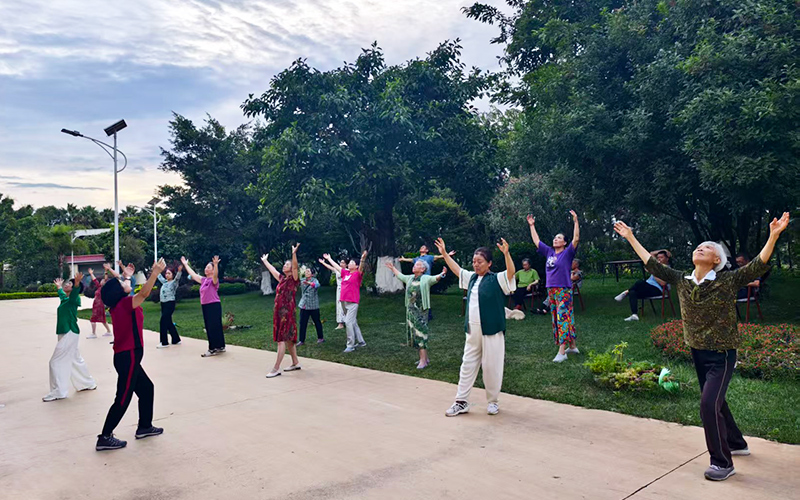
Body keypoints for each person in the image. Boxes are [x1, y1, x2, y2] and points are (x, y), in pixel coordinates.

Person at [613, 212, 790, 481]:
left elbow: (756, 266)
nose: (700, 248)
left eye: (707, 248)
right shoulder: (681, 280)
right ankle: (737, 443)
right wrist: (630, 237)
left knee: (708, 404)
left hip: (722, 354)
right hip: (697, 351)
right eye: (699, 246)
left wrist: (774, 235)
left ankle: (722, 462)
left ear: (716, 260)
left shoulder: (726, 281)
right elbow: (652, 264)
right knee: (715, 400)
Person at [436, 237, 516, 417]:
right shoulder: (471, 278)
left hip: (492, 330)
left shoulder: (497, 279)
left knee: (491, 366)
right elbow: (457, 270)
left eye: (479, 262)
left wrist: (506, 254)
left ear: (489, 263)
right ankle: (461, 401)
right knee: (467, 364)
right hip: (472, 330)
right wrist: (444, 255)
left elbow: (511, 272)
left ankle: (493, 402)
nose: (476, 264)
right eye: (473, 262)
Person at [96, 258, 167, 451]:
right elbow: (144, 292)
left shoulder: (120, 304)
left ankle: (144, 426)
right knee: (123, 397)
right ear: (118, 292)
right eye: (122, 283)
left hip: (128, 357)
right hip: (128, 357)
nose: (125, 282)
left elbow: (131, 287)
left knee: (146, 389)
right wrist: (155, 273)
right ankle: (104, 436)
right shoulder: (126, 304)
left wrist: (125, 275)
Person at [528, 211, 581, 363]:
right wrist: (532, 226)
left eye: (559, 238)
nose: (556, 239)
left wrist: (576, 221)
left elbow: (576, 238)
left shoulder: (568, 253)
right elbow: (536, 241)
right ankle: (572, 345)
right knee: (561, 318)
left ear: (564, 242)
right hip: (551, 289)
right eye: (555, 237)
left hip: (563, 289)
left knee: (562, 317)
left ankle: (562, 351)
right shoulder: (549, 252)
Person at [42, 272, 97, 402]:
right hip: (65, 333)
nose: (68, 284)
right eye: (68, 283)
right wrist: (59, 287)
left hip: (69, 332)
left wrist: (77, 284)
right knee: (75, 360)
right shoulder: (65, 299)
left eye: (70, 284)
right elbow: (63, 295)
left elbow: (74, 294)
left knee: (55, 362)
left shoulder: (74, 299)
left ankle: (58, 392)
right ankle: (87, 383)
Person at [385, 259, 447, 369]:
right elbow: (400, 275)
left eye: (418, 265)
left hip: (421, 311)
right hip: (411, 311)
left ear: (423, 269)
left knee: (421, 334)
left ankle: (423, 361)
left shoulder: (425, 278)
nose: (414, 266)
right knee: (415, 335)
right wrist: (392, 268)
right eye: (415, 264)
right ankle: (424, 358)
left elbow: (435, 278)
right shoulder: (409, 278)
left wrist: (442, 274)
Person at [261, 244, 302, 378]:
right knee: (288, 339)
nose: (284, 266)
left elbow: (295, 267)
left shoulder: (294, 280)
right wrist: (265, 261)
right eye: (284, 264)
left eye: (287, 264)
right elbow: (273, 270)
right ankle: (295, 362)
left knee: (281, 340)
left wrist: (294, 254)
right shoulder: (282, 279)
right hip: (279, 313)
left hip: (287, 313)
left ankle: (276, 368)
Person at [322, 250, 368, 353]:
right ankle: (361, 342)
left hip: (352, 302)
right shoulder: (345, 272)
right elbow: (337, 267)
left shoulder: (357, 274)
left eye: (352, 263)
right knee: (353, 322)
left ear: (356, 266)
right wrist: (329, 259)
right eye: (350, 262)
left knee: (348, 322)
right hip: (343, 301)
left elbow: (361, 266)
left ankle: (350, 345)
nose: (350, 263)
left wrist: (362, 258)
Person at [181, 255, 225, 357]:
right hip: (206, 306)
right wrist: (186, 265)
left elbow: (215, 275)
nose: (206, 269)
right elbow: (193, 274)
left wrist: (215, 265)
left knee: (213, 326)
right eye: (205, 267)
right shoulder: (203, 280)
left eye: (208, 268)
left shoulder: (214, 281)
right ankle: (219, 346)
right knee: (213, 326)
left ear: (213, 270)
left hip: (213, 305)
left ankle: (213, 348)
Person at [398, 244, 455, 320]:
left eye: (423, 247)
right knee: (416, 296)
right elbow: (411, 260)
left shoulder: (429, 257)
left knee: (424, 296)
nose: (421, 247)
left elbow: (438, 257)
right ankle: (416, 313)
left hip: (426, 279)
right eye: (421, 247)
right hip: (417, 279)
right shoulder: (417, 258)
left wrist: (448, 255)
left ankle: (427, 314)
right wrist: (403, 259)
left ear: (427, 250)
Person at [614, 250, 671, 321]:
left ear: (667, 259)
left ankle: (625, 292)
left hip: (657, 289)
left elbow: (663, 283)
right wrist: (664, 250)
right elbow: (651, 254)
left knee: (639, 283)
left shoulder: (667, 269)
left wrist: (652, 272)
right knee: (633, 292)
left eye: (661, 257)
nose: (659, 259)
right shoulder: (657, 265)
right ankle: (634, 315)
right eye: (658, 257)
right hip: (647, 287)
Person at [156, 264, 183, 348]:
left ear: (173, 275)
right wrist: (155, 269)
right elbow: (159, 276)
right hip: (163, 304)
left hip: (170, 303)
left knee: (163, 321)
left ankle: (164, 342)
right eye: (166, 273)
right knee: (168, 322)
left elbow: (177, 278)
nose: (167, 275)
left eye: (169, 273)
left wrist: (179, 271)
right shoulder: (164, 282)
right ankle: (176, 339)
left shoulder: (174, 283)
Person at [318, 257, 348, 329]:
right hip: (339, 289)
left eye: (343, 262)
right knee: (339, 305)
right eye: (340, 262)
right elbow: (331, 267)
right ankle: (340, 323)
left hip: (346, 289)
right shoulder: (337, 270)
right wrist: (323, 263)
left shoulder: (347, 271)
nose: (341, 264)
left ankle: (347, 321)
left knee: (346, 305)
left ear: (346, 264)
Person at [298, 267, 324, 346]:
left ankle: (320, 338)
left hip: (313, 305)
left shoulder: (315, 280)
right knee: (302, 323)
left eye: (308, 271)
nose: (306, 272)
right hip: (304, 305)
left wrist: (309, 283)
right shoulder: (302, 280)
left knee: (317, 322)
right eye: (306, 271)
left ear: (312, 274)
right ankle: (301, 340)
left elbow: (317, 285)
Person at [87, 267, 111, 338]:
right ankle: (109, 331)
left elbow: (106, 279)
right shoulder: (99, 287)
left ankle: (93, 333)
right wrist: (91, 274)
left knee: (93, 319)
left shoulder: (104, 288)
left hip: (99, 305)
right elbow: (94, 280)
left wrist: (106, 271)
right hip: (97, 305)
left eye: (103, 281)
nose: (101, 281)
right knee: (103, 319)